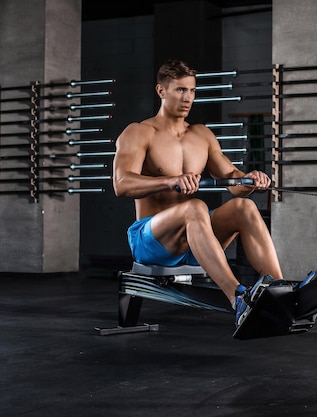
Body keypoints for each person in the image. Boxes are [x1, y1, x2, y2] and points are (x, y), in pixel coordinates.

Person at [112, 59, 283, 326]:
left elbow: (232, 181)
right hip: (151, 241)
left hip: (195, 240)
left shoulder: (202, 135)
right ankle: (237, 298)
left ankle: (278, 292)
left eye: (192, 91)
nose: (188, 97)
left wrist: (250, 180)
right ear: (161, 91)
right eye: (180, 90)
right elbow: (121, 184)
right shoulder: (139, 132)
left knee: (244, 208)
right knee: (196, 207)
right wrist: (170, 181)